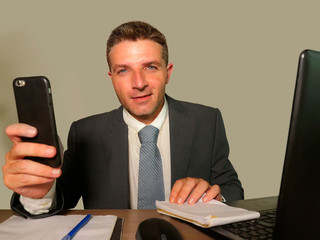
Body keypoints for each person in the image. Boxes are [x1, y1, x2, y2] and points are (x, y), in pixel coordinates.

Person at [3, 21, 243, 218]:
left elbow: (233, 189)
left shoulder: (206, 121)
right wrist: (40, 194)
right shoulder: (85, 133)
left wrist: (213, 198)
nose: (138, 83)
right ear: (111, 77)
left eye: (150, 67)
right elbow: (59, 200)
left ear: (167, 73)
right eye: (124, 70)